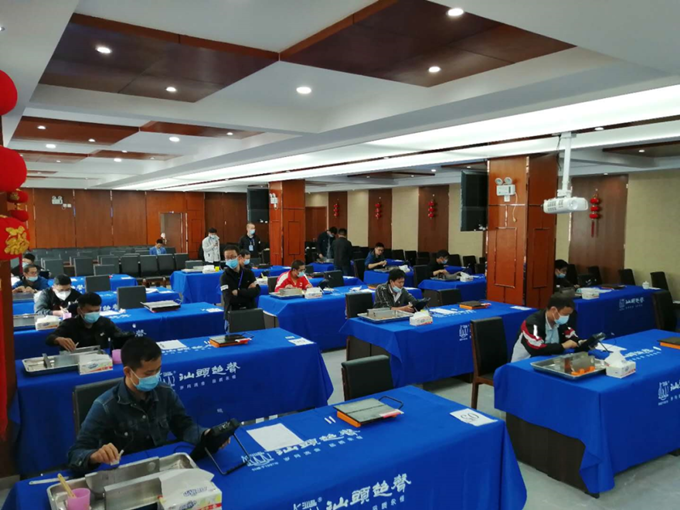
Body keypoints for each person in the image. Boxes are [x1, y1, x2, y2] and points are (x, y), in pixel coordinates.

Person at [68, 337, 227, 473]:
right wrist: (94, 456)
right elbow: (76, 453)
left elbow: (184, 426)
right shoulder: (105, 406)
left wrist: (206, 435)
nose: (155, 377)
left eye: (158, 370)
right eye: (148, 373)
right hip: (125, 473)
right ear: (128, 372)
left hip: (161, 466)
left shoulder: (165, 392)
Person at [46, 292, 132, 351]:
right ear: (79, 310)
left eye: (97, 310)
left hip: (101, 360)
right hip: (76, 359)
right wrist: (58, 339)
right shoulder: (69, 324)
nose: (94, 314)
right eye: (90, 311)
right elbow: (49, 338)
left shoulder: (105, 322)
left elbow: (119, 335)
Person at [511, 294, 581, 362]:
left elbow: (571, 336)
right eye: (565, 314)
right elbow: (537, 348)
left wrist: (580, 342)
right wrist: (563, 346)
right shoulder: (532, 323)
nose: (567, 317)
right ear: (553, 310)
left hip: (548, 360)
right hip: (525, 362)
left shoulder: (560, 322)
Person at [220, 245, 260, 315]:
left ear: (239, 257)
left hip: (250, 310)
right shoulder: (224, 277)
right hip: (233, 312)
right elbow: (229, 299)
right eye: (227, 258)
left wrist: (238, 292)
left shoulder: (249, 273)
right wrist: (248, 295)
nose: (230, 260)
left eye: (232, 257)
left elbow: (256, 291)